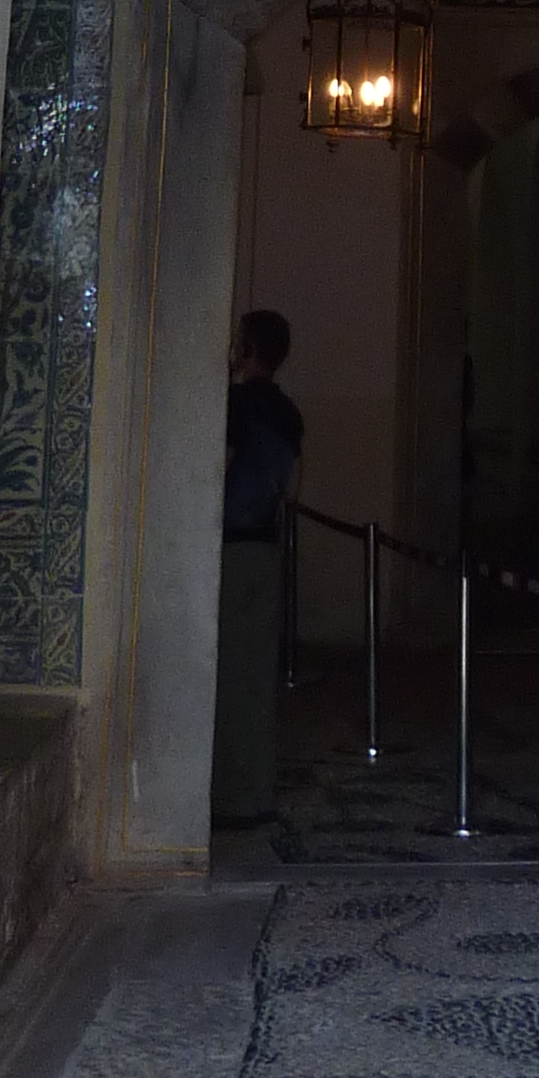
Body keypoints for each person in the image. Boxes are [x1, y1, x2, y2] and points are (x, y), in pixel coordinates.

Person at [211, 309, 302, 826]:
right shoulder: (289, 413)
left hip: (230, 546)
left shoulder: (234, 405)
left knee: (226, 672)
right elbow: (293, 490)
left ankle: (230, 796)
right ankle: (259, 791)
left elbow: (218, 468)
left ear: (246, 350)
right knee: (258, 674)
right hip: (268, 548)